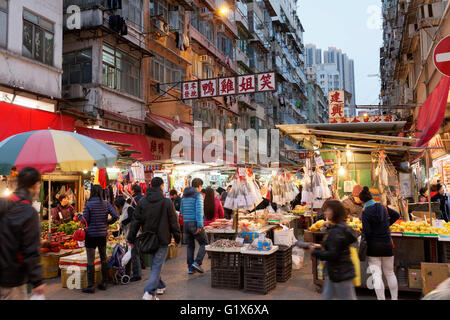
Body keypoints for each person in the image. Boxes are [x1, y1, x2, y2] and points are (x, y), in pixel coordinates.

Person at [127, 177, 181, 301]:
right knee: (156, 266)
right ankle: (149, 292)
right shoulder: (167, 202)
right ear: (162, 186)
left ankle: (160, 286)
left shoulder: (143, 202)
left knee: (155, 266)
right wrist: (177, 237)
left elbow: (135, 221)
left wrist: (131, 238)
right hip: (163, 239)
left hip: (148, 239)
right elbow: (174, 222)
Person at [0, 167, 45, 300]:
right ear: (36, 185)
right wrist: (37, 280)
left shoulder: (3, 203)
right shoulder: (28, 211)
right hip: (13, 276)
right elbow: (30, 249)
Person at [310, 200, 358, 300]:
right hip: (335, 271)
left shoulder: (337, 231)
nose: (325, 213)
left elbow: (332, 254)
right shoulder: (341, 227)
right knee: (327, 296)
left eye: (327, 210)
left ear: (334, 212)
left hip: (340, 272)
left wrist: (315, 252)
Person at [359, 186, 400, 300]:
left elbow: (367, 231)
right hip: (387, 244)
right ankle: (394, 298)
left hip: (373, 246)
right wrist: (386, 224)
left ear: (362, 201)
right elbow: (397, 215)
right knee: (390, 273)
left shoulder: (366, 212)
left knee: (377, 275)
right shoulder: (383, 207)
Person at [81, 185, 118, 293]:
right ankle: (104, 282)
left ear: (92, 192)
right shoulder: (106, 203)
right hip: (102, 235)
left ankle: (91, 286)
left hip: (90, 236)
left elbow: (85, 220)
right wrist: (107, 222)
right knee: (103, 259)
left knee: (90, 261)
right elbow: (115, 215)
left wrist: (79, 217)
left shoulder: (88, 204)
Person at [180, 178, 207, 274]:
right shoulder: (198, 195)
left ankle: (190, 268)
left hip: (186, 224)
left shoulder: (184, 195)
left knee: (190, 246)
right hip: (195, 223)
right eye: (201, 187)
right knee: (205, 244)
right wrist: (200, 225)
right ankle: (197, 262)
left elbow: (181, 210)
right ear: (199, 186)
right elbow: (199, 211)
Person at [123, 184, 145, 281]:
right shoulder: (144, 198)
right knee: (139, 248)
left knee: (134, 251)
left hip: (136, 227)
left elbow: (133, 216)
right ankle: (142, 265)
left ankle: (137, 274)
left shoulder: (133, 200)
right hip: (144, 226)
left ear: (133, 191)